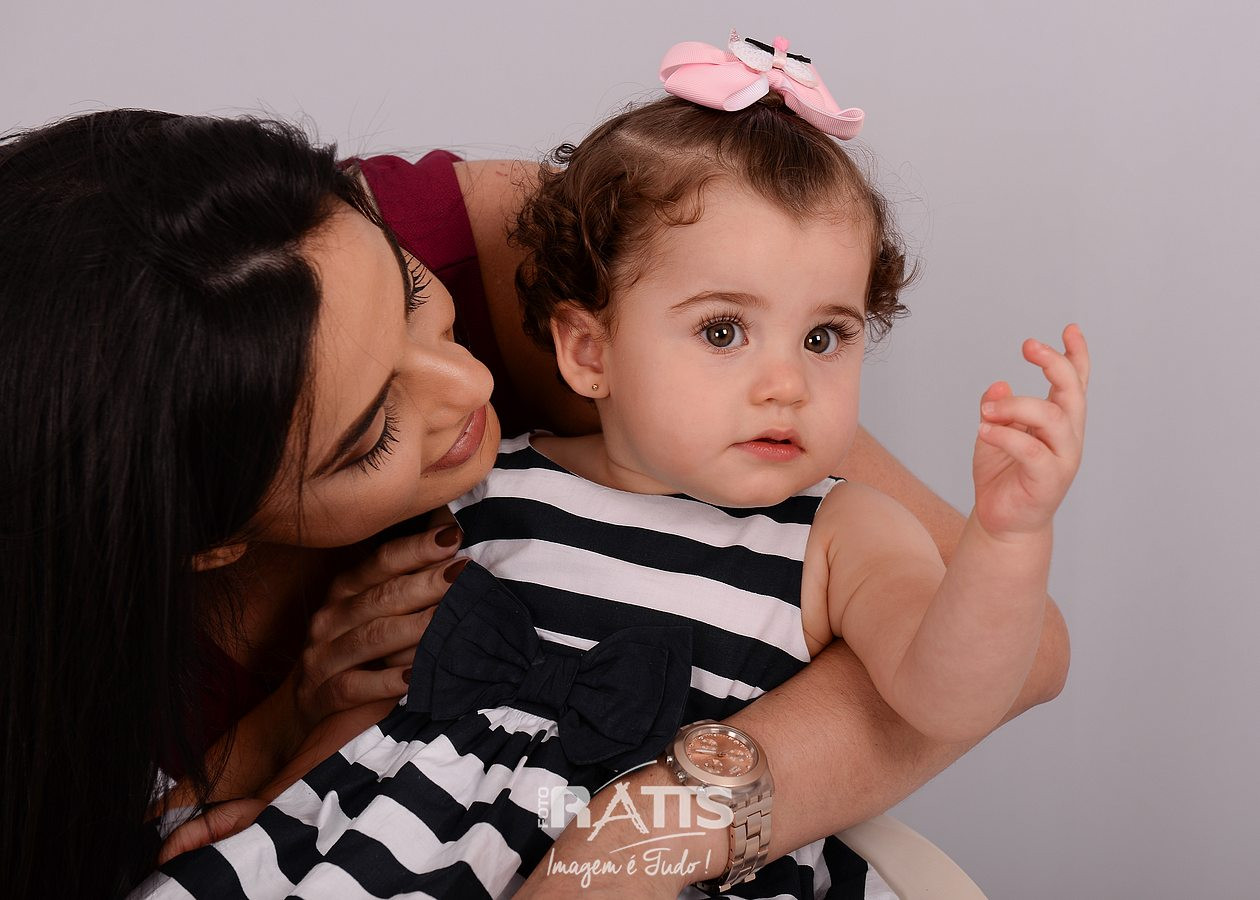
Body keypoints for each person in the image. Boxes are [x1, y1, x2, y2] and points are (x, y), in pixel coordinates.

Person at [0, 82, 1068, 900]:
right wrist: (281, 781)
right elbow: (393, 715)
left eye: (416, 296)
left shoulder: (832, 519)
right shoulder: (510, 486)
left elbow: (977, 676)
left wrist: (1007, 543)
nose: (471, 386)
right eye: (374, 430)